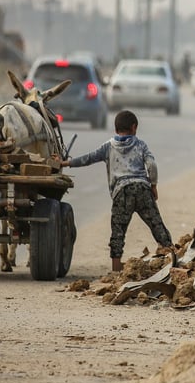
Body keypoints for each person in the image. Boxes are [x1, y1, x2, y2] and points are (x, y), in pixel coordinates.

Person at [59, 110, 173, 273]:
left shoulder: (108, 147)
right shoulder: (141, 145)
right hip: (142, 188)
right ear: (134, 127)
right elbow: (152, 165)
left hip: (122, 192)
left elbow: (88, 158)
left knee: (118, 231)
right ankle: (170, 256)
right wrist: (153, 185)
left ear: (115, 128)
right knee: (156, 224)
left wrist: (65, 163)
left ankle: (116, 267)